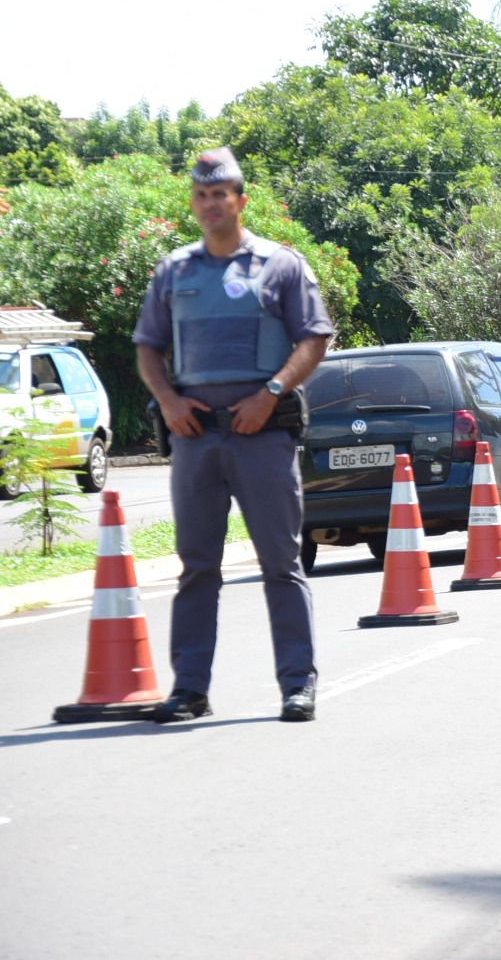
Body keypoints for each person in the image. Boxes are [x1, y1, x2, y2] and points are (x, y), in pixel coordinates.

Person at [134, 147, 333, 723]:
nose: (210, 204)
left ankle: (298, 685)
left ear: (240, 201)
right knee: (197, 567)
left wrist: (269, 394)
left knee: (281, 562)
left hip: (262, 435)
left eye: (220, 194)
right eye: (201, 195)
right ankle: (189, 689)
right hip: (196, 439)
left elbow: (314, 338)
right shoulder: (174, 271)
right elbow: (147, 346)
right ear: (194, 204)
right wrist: (168, 400)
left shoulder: (281, 265)